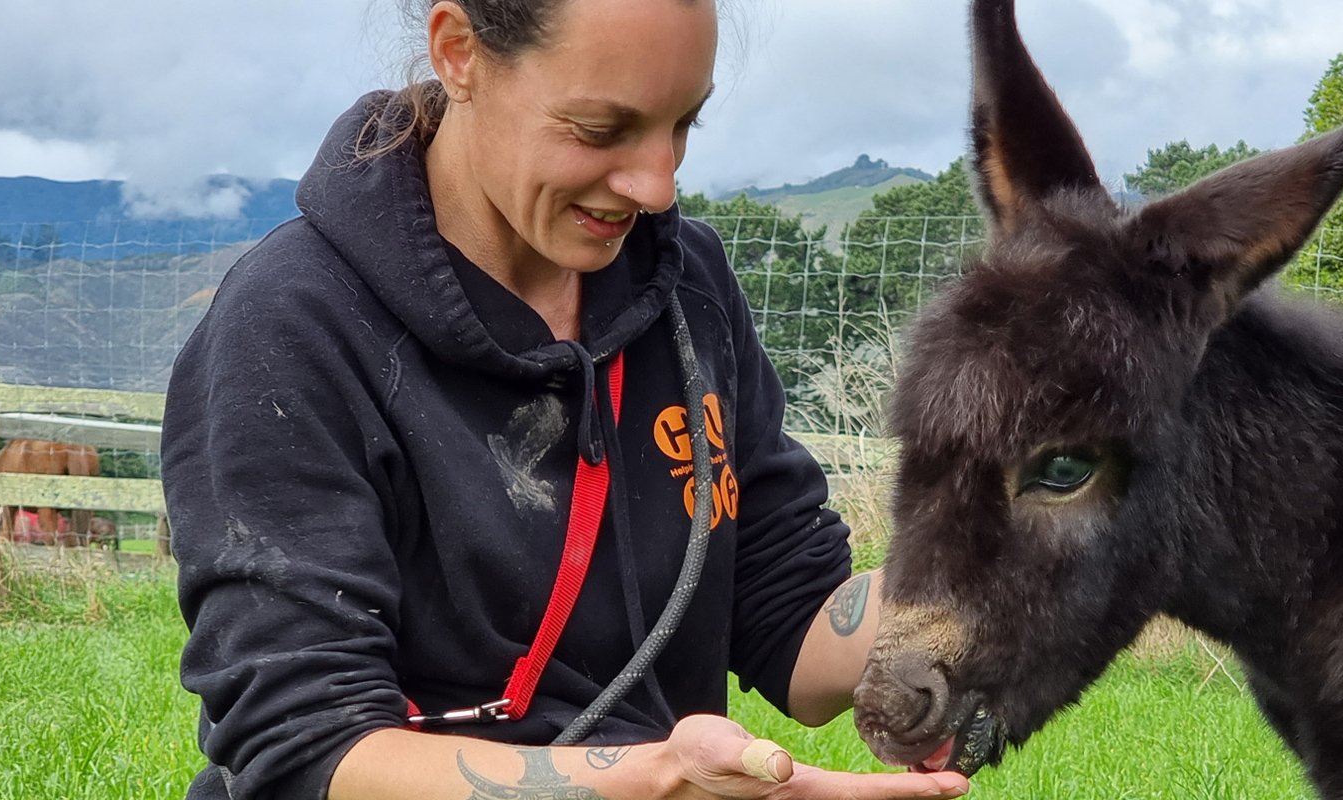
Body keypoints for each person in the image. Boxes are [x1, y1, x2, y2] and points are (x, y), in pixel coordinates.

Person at [161, 1, 972, 798]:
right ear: (458, 51)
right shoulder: (291, 326)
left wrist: (1011, 565)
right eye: (600, 130)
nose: (657, 185)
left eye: (683, 124)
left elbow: (790, 616)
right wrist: (654, 781)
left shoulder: (688, 287)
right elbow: (306, 748)